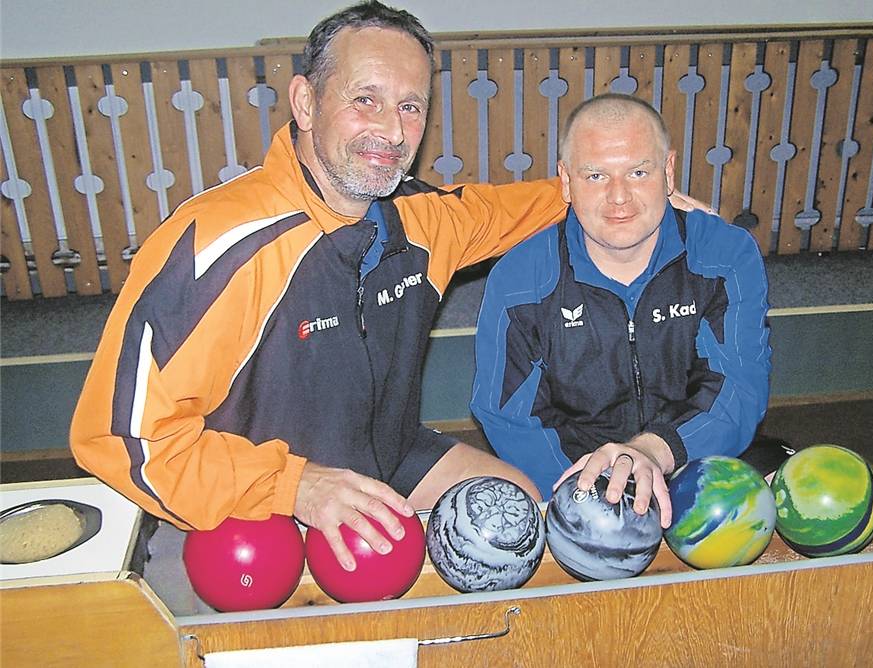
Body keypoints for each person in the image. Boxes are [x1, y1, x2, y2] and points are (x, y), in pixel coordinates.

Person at [70, 2, 706, 573]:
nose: (394, 131)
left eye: (411, 106)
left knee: (528, 515)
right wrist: (296, 488)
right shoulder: (217, 244)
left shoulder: (418, 219)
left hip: (387, 454)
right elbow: (120, 439)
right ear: (305, 102)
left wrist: (620, 192)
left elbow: (520, 207)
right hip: (267, 494)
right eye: (365, 99)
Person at [471, 93, 780, 528]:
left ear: (668, 172)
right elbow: (508, 416)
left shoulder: (725, 254)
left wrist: (653, 452)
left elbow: (739, 387)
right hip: (580, 473)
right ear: (565, 181)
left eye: (638, 172)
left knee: (800, 496)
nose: (619, 198)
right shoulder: (520, 279)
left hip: (695, 453)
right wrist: (591, 488)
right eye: (596, 175)